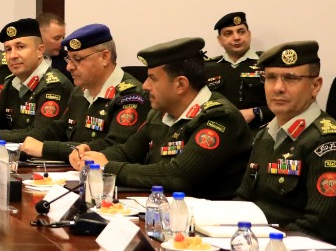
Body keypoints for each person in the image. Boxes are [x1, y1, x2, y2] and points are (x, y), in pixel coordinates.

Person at [70, 37, 252, 199]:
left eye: (153, 79)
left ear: (181, 84)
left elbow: (178, 175)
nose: (145, 86)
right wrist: (91, 156)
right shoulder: (160, 112)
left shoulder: (219, 117)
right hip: (164, 208)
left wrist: (108, 167)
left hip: (210, 219)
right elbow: (129, 152)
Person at [233, 42, 336, 245]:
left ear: (315, 86)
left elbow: (319, 226)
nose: (278, 88)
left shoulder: (332, 143)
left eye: (290, 78)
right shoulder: (265, 134)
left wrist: (261, 248)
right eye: (271, 77)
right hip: (257, 247)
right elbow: (243, 200)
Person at [20, 24, 146, 162]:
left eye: (77, 59)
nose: (69, 67)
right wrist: (24, 144)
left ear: (105, 57)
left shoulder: (131, 96)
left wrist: (46, 148)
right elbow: (57, 129)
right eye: (69, 59)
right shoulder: (80, 91)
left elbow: (114, 146)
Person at [0, 18, 70, 144]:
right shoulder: (12, 82)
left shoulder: (54, 85)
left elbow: (39, 135)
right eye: (8, 49)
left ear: (39, 51)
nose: (13, 56)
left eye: (20, 47)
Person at [204, 11, 268, 127]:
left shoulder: (267, 63)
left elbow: (285, 103)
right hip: (218, 132)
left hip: (259, 132)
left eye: (241, 32)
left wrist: (256, 112)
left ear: (249, 34)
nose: (237, 37)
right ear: (220, 40)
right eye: (228, 33)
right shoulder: (207, 68)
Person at [38, 12, 68, 77]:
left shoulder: (68, 60)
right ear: (40, 37)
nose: (62, 42)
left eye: (63, 37)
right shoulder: (23, 59)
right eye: (57, 38)